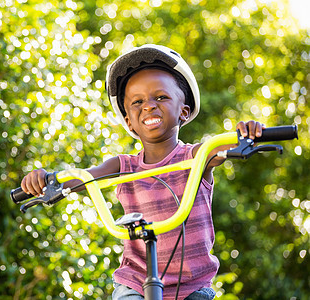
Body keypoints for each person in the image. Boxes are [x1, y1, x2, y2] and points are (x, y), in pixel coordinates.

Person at [20, 44, 264, 300]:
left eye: (161, 97)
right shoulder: (123, 166)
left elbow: (218, 147)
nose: (148, 106)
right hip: (136, 282)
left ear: (184, 111)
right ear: (129, 122)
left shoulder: (195, 158)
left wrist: (244, 136)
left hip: (192, 284)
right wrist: (49, 180)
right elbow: (84, 177)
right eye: (137, 102)